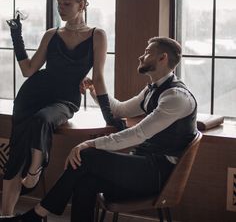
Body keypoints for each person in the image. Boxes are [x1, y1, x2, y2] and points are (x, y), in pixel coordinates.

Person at [0, 36, 198, 222]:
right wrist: (94, 92)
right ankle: (37, 215)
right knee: (85, 182)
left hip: (160, 175)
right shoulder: (152, 89)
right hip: (144, 164)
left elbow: (138, 134)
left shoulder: (175, 97)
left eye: (147, 52)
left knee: (86, 156)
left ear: (162, 58)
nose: (141, 56)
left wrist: (89, 143)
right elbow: (119, 109)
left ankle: (36, 215)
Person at [1, 0, 124, 218]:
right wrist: (17, 37)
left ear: (83, 4)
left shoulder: (97, 35)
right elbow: (28, 70)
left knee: (42, 120)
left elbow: (98, 78)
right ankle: (6, 216)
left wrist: (110, 117)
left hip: (65, 99)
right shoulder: (52, 34)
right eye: (59, 4)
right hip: (32, 95)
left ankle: (36, 169)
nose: (61, 8)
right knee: (16, 156)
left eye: (67, 3)